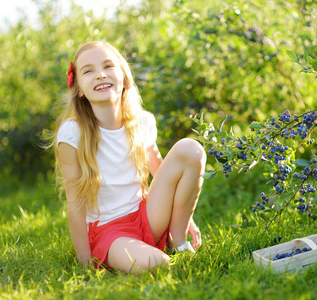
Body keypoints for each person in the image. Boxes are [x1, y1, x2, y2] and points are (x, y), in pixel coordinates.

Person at [53, 41, 206, 274]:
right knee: (159, 265)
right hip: (110, 231)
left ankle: (178, 240)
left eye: (108, 66)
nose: (100, 75)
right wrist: (85, 264)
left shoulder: (141, 121)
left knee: (190, 149)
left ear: (124, 77)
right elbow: (75, 205)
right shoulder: (72, 134)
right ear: (80, 89)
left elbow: (163, 172)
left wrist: (185, 220)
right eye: (88, 70)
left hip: (147, 215)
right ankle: (148, 252)